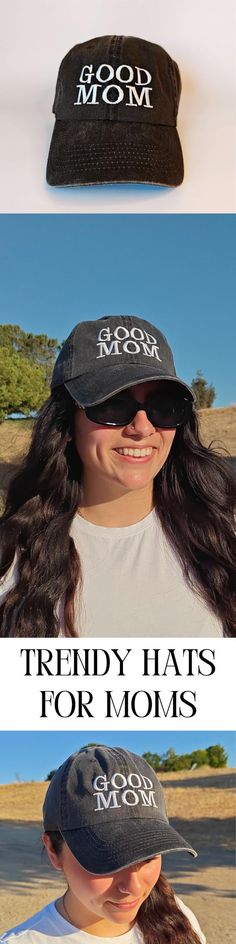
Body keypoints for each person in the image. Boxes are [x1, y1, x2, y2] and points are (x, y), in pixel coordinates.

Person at [0, 315, 235, 637]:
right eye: (112, 406)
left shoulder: (224, 538)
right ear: (66, 423)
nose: (142, 428)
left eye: (165, 407)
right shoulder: (10, 557)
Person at [0, 745, 206, 944]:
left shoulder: (177, 918)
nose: (133, 887)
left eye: (149, 855)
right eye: (107, 860)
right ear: (53, 850)